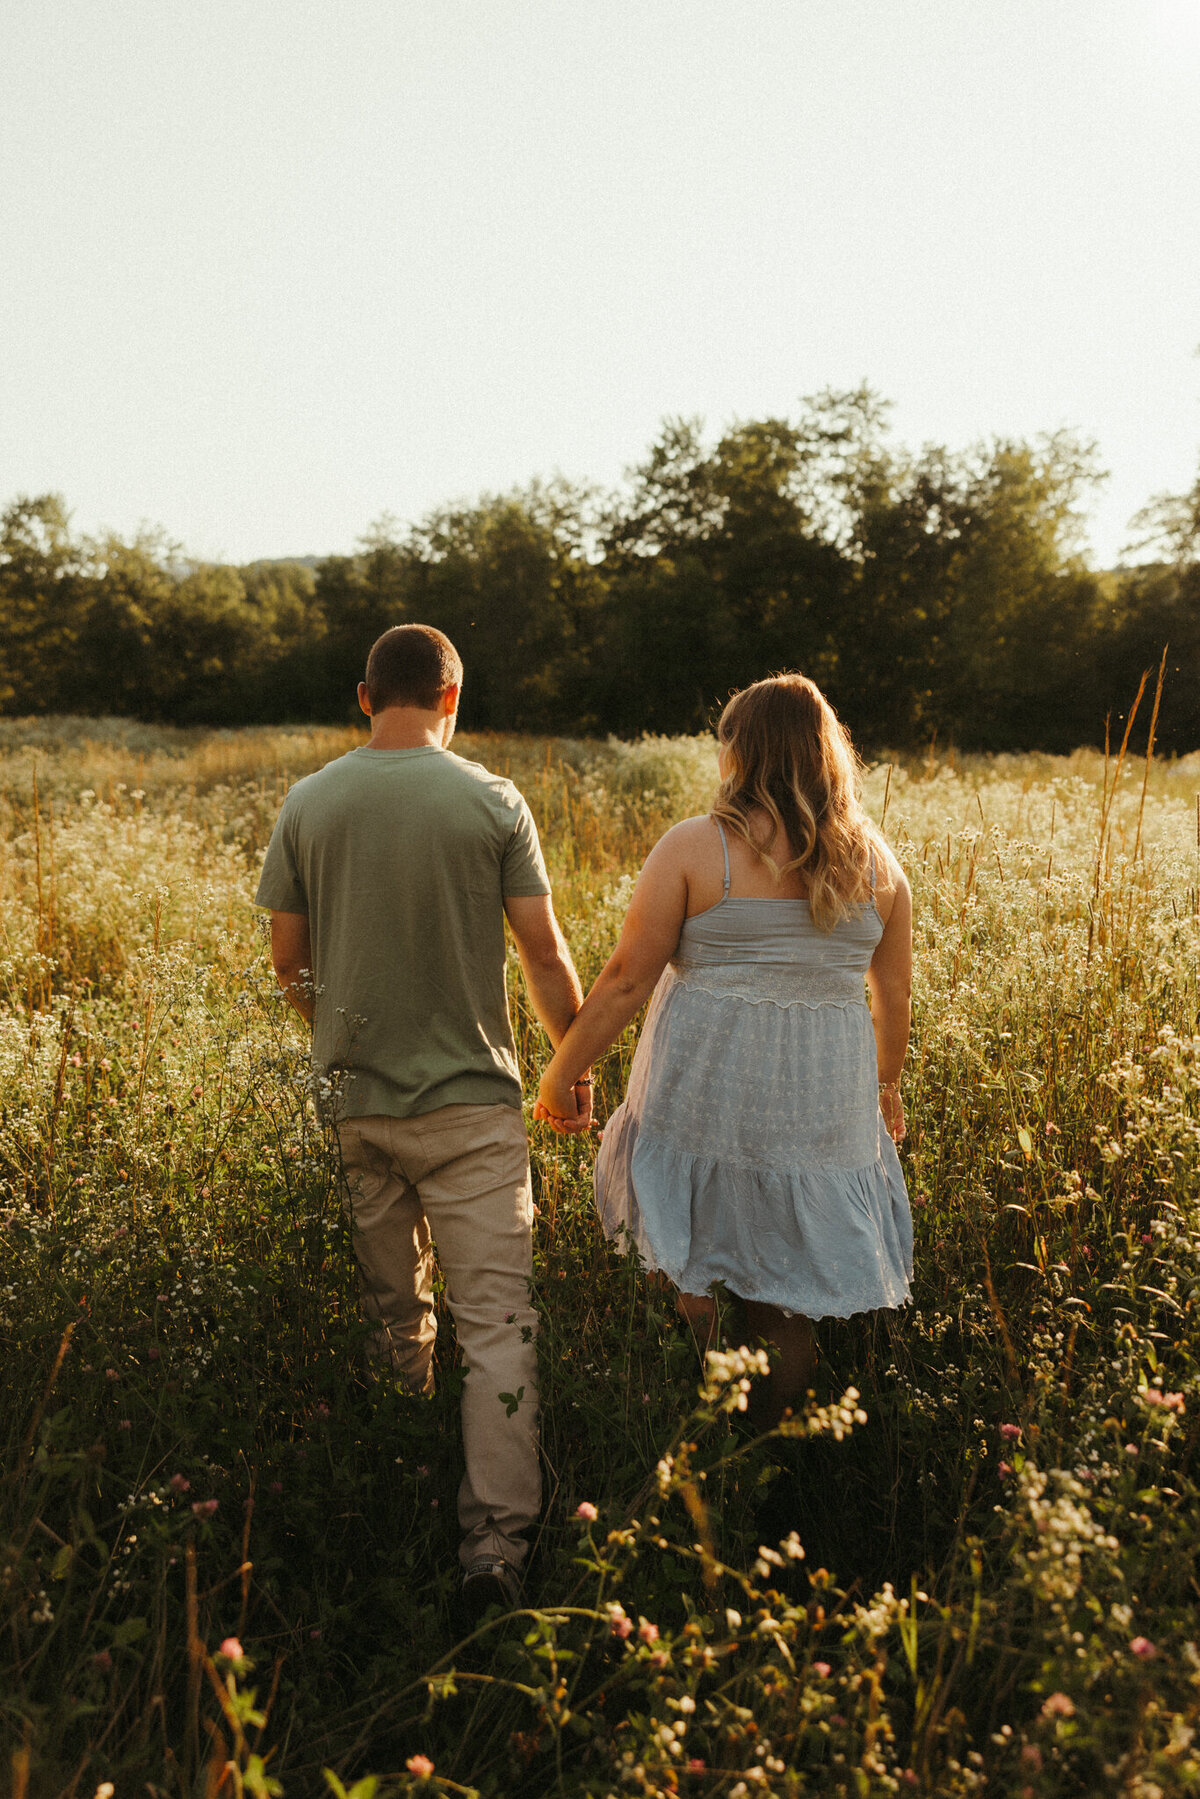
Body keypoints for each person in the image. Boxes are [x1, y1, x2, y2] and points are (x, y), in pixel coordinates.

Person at [256, 624, 590, 1611]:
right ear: (454, 695)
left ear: (365, 696)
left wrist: (341, 1039)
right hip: (473, 1110)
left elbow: (288, 963)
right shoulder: (491, 799)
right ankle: (493, 1551)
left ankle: (391, 1494)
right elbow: (541, 950)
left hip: (355, 1101)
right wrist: (570, 1067)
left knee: (392, 1319)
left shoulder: (309, 800)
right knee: (496, 1328)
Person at [535, 673, 912, 1425]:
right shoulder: (877, 865)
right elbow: (893, 997)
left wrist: (560, 1074)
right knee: (787, 1298)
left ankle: (707, 1434)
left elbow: (622, 979)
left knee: (692, 1258)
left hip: (704, 1089)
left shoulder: (699, 847)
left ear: (740, 752)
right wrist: (887, 1087)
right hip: (819, 1106)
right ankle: (771, 1449)